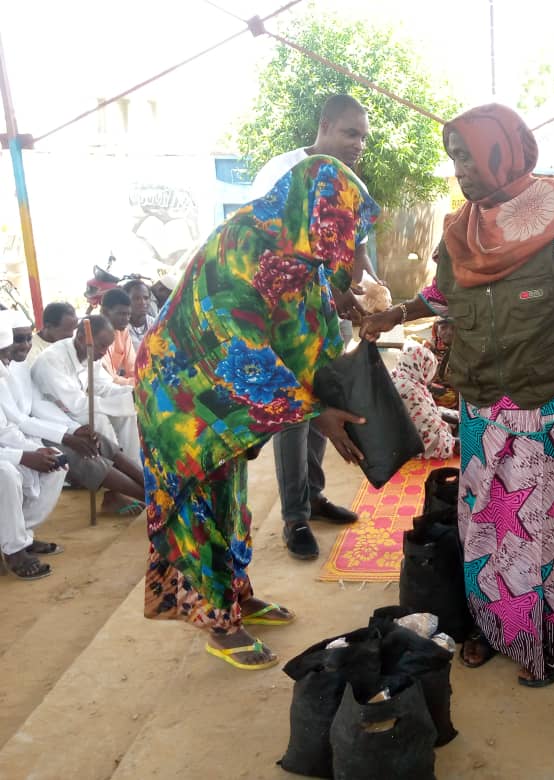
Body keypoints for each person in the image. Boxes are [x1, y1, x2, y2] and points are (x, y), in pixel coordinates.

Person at [361, 104, 554, 687]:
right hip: (481, 405)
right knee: (485, 525)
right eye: (453, 157)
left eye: (468, 156)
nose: (460, 171)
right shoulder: (463, 229)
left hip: (546, 403)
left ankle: (548, 641)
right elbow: (441, 297)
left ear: (502, 152)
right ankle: (497, 629)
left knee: (539, 531)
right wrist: (395, 315)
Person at [135, 156, 377, 670]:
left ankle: (236, 594)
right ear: (313, 214)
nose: (345, 250)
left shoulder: (298, 256)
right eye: (339, 233)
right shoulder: (240, 247)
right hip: (180, 394)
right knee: (198, 506)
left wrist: (341, 396)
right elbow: (242, 353)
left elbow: (309, 335)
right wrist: (318, 414)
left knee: (230, 500)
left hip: (219, 399)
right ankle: (220, 625)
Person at [249, 94, 381, 555]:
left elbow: (357, 248)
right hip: (285, 318)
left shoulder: (344, 180)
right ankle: (295, 519)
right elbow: (269, 252)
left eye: (362, 136)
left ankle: (315, 495)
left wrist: (364, 288)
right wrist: (331, 291)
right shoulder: (282, 173)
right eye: (350, 133)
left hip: (326, 315)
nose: (358, 144)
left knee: (324, 398)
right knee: (294, 413)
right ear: (325, 125)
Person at [0, 309, 145, 516]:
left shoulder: (19, 366)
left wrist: (130, 394)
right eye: (17, 339)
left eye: (27, 338)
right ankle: (151, 498)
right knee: (85, 454)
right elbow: (23, 419)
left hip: (51, 424)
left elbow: (37, 405)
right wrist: (67, 436)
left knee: (104, 438)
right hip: (30, 435)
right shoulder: (48, 360)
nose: (24, 344)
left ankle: (152, 488)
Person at [0, 318, 66, 580]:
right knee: (6, 473)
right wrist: (22, 456)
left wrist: (35, 452)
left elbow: (6, 428)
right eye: (4, 354)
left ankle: (21, 537)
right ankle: (15, 550)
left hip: (6, 448)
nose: (7, 362)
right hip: (5, 458)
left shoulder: (4, 374)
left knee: (57, 463)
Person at [32, 316, 141, 464]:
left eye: (108, 346)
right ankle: (114, 467)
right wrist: (122, 402)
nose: (104, 352)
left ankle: (134, 464)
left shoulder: (92, 353)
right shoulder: (52, 360)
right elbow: (75, 405)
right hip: (55, 416)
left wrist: (132, 393)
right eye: (102, 346)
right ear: (81, 337)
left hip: (77, 409)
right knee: (98, 418)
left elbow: (104, 387)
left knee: (128, 413)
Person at [391, 340, 456, 460]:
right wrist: (452, 443)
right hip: (410, 448)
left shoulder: (397, 376)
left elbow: (426, 414)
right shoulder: (409, 389)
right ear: (422, 365)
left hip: (397, 442)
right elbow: (426, 434)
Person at [99, 288, 136, 386]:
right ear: (105, 312)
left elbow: (133, 368)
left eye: (129, 314)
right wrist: (138, 384)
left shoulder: (123, 331)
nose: (127, 319)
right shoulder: (93, 335)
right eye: (121, 314)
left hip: (119, 387)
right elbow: (109, 379)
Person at [27, 302, 77, 366]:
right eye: (66, 330)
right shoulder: (32, 352)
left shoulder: (70, 343)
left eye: (74, 329)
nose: (72, 335)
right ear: (48, 326)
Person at [123, 279, 156, 353]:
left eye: (146, 298)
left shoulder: (155, 324)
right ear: (126, 300)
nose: (143, 302)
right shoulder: (120, 327)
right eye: (136, 298)